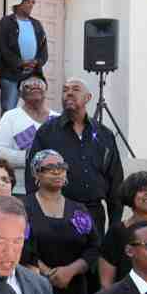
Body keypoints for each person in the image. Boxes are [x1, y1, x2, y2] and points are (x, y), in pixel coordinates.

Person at [26, 78, 123, 241]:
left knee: (92, 263)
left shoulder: (104, 135)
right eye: (65, 90)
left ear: (88, 97)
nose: (69, 93)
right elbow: (32, 174)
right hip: (56, 212)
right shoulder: (47, 132)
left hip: (94, 214)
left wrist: (114, 226)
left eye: (75, 89)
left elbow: (115, 182)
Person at [25, 150, 99, 294]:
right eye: (49, 168)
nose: (57, 172)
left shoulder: (79, 209)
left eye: (61, 167)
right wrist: (48, 272)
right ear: (36, 174)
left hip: (74, 288)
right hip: (35, 285)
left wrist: (71, 270)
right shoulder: (24, 206)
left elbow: (93, 247)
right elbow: (21, 246)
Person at [0, 74, 58, 194]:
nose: (34, 87)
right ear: (20, 93)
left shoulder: (57, 119)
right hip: (20, 190)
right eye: (28, 86)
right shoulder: (10, 116)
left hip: (53, 189)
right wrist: (32, 157)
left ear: (46, 90)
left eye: (39, 85)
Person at [0, 0, 48, 112]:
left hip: (33, 73)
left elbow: (43, 48)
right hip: (10, 74)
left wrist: (37, 62)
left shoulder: (36, 24)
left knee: (35, 108)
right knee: (9, 109)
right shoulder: (6, 22)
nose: (31, 5)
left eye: (32, 2)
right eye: (27, 2)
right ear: (18, 4)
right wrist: (20, 63)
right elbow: (2, 48)